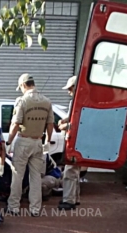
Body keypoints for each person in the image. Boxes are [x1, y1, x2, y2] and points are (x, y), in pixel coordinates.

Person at [5, 73, 54, 217]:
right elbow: (50, 124)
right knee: (35, 177)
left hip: (23, 140)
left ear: (23, 85)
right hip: (38, 141)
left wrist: (9, 141)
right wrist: (47, 141)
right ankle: (35, 208)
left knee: (17, 175)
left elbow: (16, 123)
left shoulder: (22, 101)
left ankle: (14, 206)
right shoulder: (47, 101)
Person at [57, 76, 86, 210]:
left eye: (70, 88)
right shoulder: (83, 100)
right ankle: (75, 198)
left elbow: (79, 123)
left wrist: (65, 126)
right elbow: (75, 118)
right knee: (75, 170)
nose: (69, 92)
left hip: (75, 140)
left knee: (69, 171)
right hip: (80, 140)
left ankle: (68, 200)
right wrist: (65, 120)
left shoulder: (79, 101)